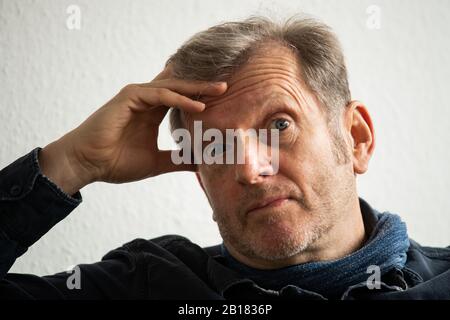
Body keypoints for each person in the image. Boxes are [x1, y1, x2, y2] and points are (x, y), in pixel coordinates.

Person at [1, 16, 449, 300]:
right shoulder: (146, 285)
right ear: (201, 178)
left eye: (278, 125)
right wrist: (73, 163)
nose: (251, 170)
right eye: (215, 146)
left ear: (356, 138)